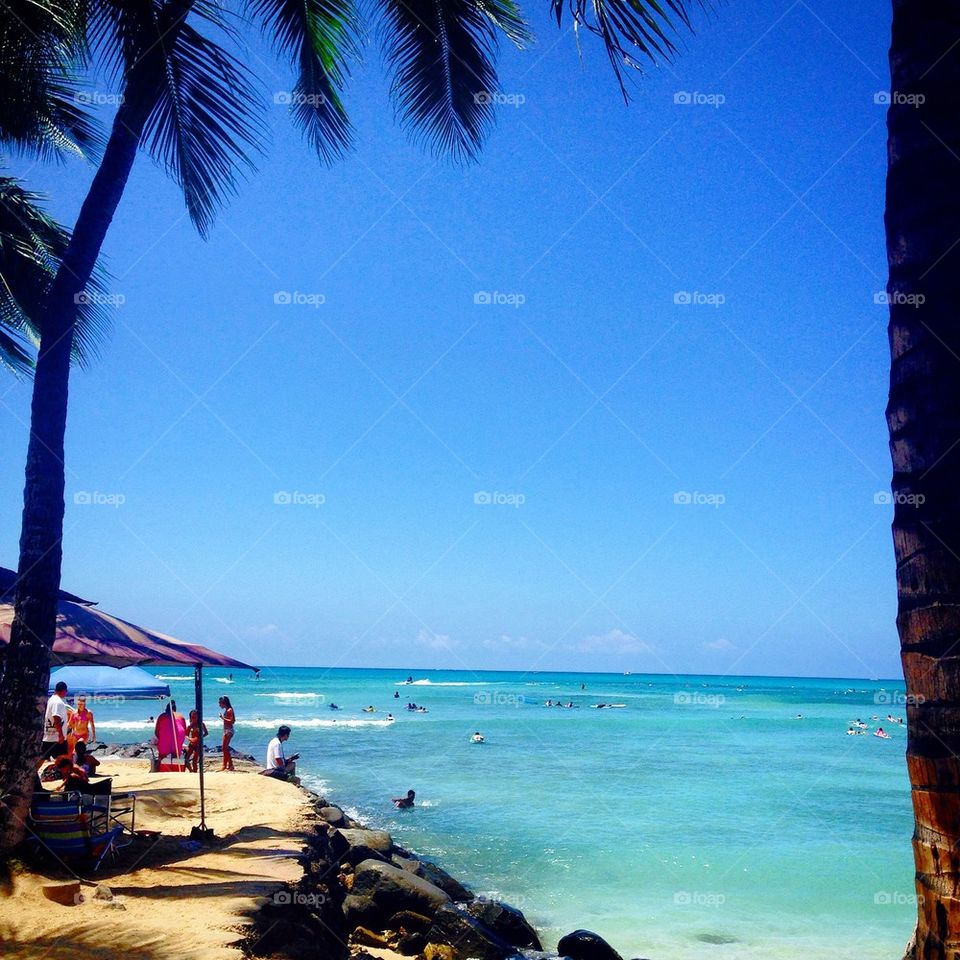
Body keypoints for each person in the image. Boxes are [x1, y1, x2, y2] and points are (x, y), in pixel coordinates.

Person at [41, 681, 73, 762]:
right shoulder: (57, 702)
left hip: (49, 736)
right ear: (64, 690)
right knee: (64, 761)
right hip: (56, 738)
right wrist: (61, 735)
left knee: (43, 759)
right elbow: (56, 717)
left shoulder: (51, 700)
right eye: (66, 691)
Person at [155, 699, 188, 766]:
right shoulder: (181, 716)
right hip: (178, 742)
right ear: (175, 709)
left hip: (165, 742)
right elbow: (185, 731)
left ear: (166, 709)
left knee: (162, 755)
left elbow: (156, 732)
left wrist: (161, 739)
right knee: (176, 755)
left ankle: (159, 766)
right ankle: (176, 766)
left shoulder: (162, 716)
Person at [219, 696, 236, 771]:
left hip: (229, 730)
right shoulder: (227, 710)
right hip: (226, 730)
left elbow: (232, 721)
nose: (219, 705)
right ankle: (225, 765)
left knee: (224, 748)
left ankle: (230, 764)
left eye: (220, 703)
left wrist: (223, 718)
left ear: (224, 703)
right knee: (224, 748)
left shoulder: (229, 710)